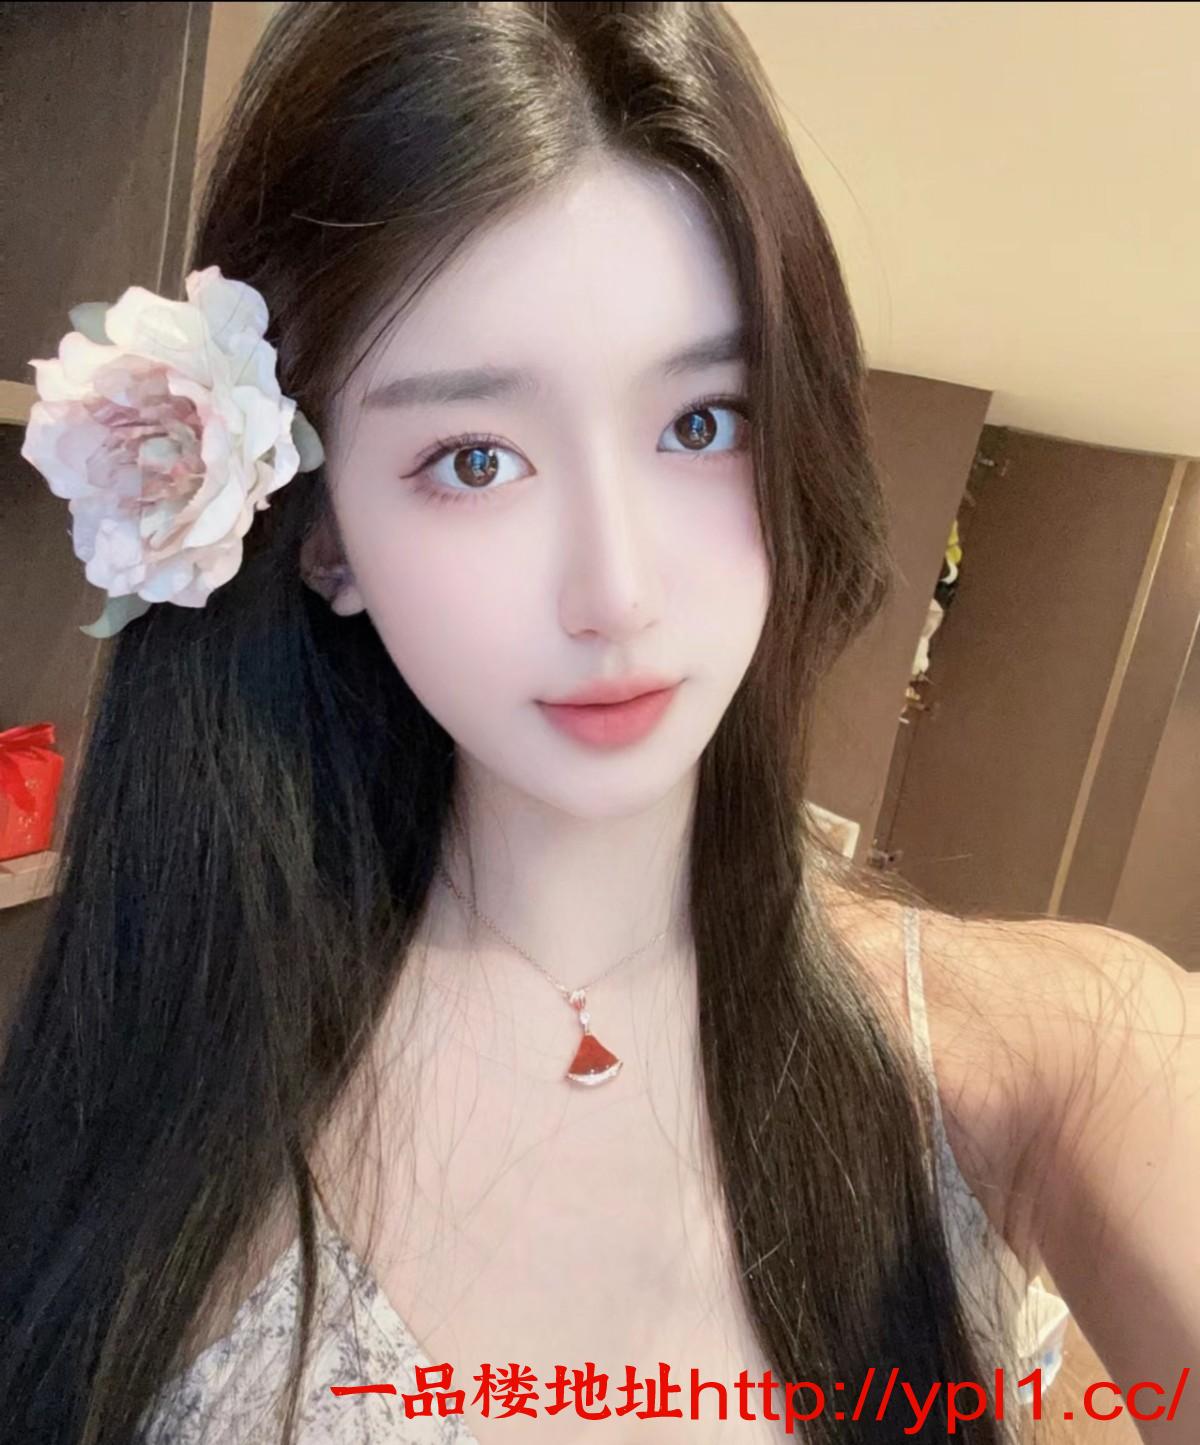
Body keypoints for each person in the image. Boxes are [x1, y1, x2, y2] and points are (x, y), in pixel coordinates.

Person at [2, 4, 1196, 1443]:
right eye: (475, 457)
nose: (617, 593)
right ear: (322, 536)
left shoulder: (1059, 1056)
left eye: (701, 422)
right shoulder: (157, 1085)